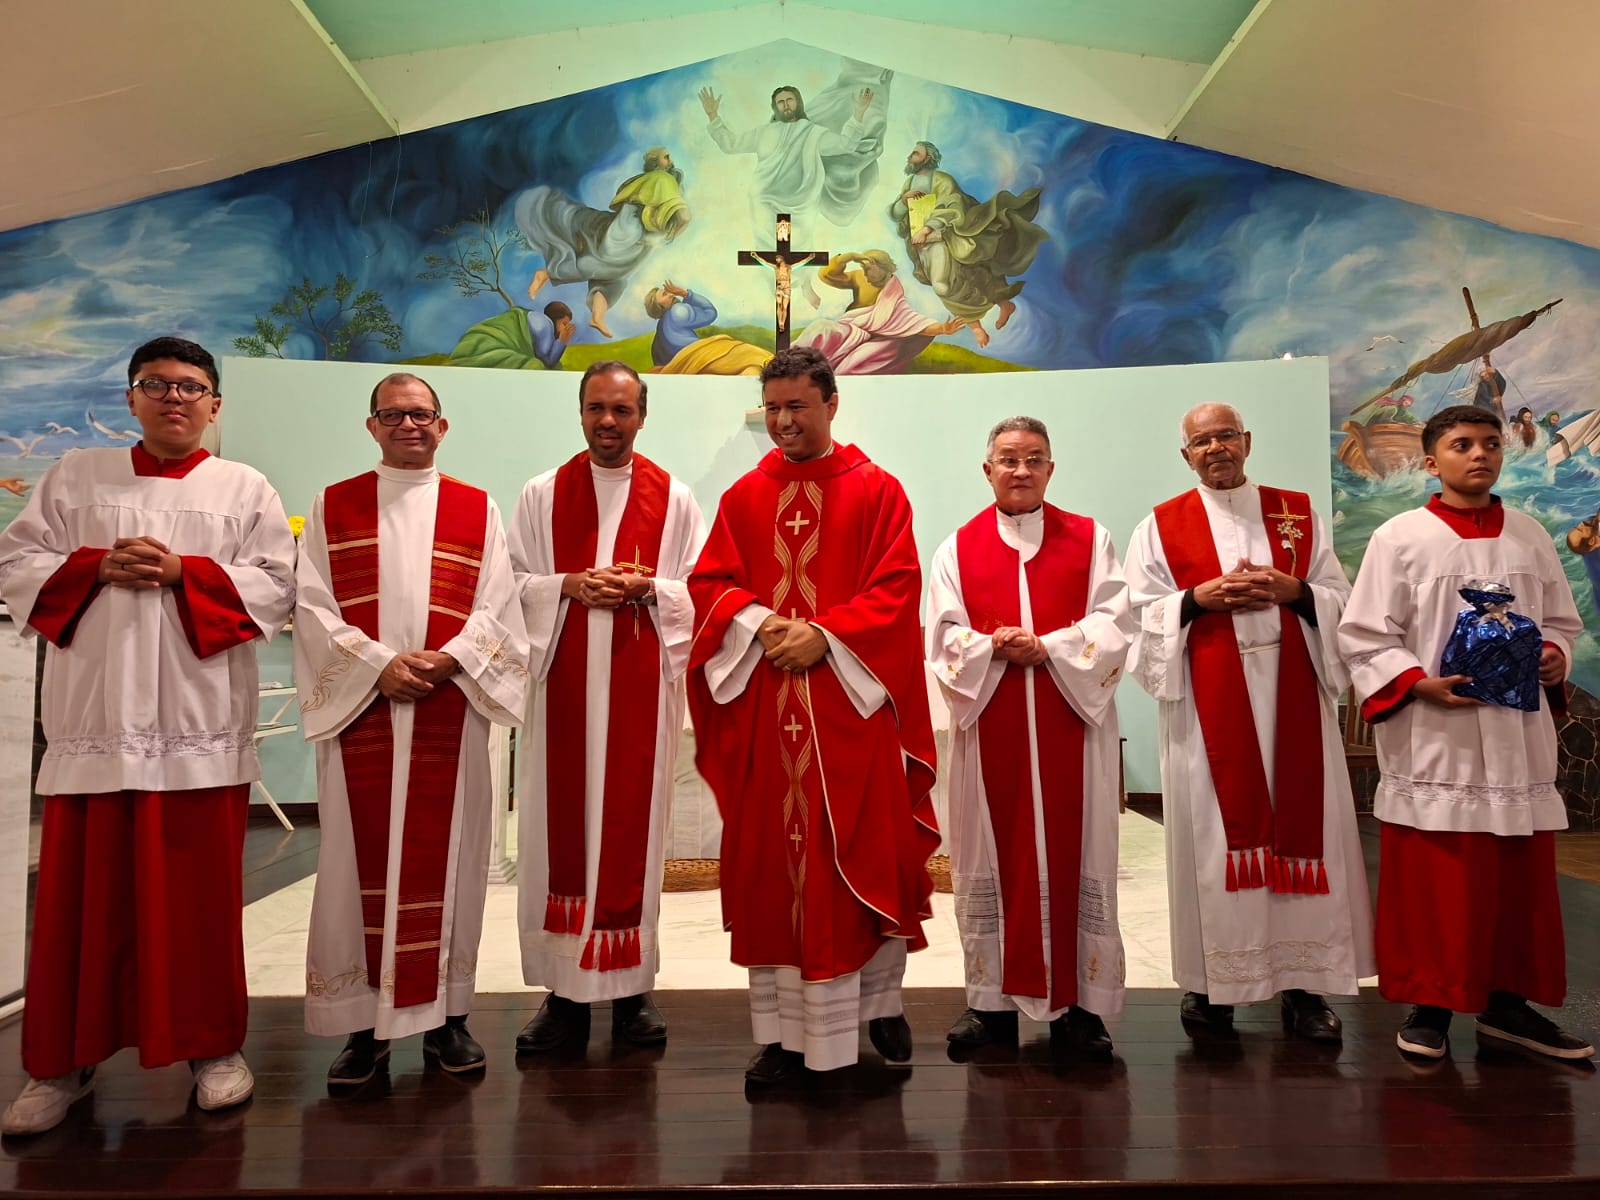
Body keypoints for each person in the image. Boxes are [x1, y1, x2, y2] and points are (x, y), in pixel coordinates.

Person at [0, 336, 296, 1135]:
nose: (174, 398)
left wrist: (183, 573)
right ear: (130, 398)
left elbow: (277, 586)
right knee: (82, 906)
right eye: (156, 384)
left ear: (215, 405)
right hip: (96, 723)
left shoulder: (244, 487)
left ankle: (212, 1048)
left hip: (197, 723)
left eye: (191, 387)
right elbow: (14, 564)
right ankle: (61, 1062)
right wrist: (92, 567)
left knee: (197, 904)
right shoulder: (75, 477)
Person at [687, 346, 940, 1084]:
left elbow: (897, 589)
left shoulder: (878, 490)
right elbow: (709, 583)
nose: (782, 422)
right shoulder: (743, 497)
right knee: (774, 871)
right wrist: (762, 622)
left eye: (796, 406)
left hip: (850, 716)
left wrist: (824, 634)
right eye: (772, 408)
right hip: (768, 716)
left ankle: (880, 1005)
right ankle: (782, 1035)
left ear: (832, 404)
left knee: (864, 854)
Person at [1339, 404, 1592, 1061]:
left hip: (1516, 735)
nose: (1479, 454)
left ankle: (1508, 1006)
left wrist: (1555, 656)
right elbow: (1364, 634)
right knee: (1440, 878)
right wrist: (1413, 681)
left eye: (1490, 443)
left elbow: (1562, 621)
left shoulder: (1532, 536)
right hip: (1437, 735)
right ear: (1431, 461)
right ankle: (1430, 1005)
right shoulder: (1399, 537)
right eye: (1461, 445)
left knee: (1515, 881)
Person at [296, 372, 529, 1085]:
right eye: (393, 414)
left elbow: (498, 606)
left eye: (421, 414)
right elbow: (311, 605)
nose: (408, 425)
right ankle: (363, 1028)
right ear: (371, 426)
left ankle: (447, 1019)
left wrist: (450, 660)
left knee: (452, 862)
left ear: (442, 425)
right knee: (354, 868)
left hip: (447, 708)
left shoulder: (475, 507)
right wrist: (377, 666)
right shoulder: (333, 504)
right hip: (363, 712)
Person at [1123, 402, 1374, 1042]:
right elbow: (1135, 616)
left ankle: (1304, 988)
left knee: (1304, 834)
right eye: (1202, 441)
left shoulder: (1297, 513)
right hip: (1207, 715)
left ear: (1247, 441)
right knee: (1212, 845)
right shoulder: (1160, 525)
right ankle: (1212, 988)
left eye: (1226, 436)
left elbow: (1343, 599)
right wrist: (1193, 599)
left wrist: (1298, 592)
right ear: (1186, 454)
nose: (1216, 448)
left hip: (1294, 700)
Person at [509, 362, 706, 1053]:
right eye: (596, 408)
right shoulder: (541, 494)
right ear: (580, 411)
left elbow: (701, 590)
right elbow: (508, 584)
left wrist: (650, 589)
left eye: (622, 410)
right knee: (557, 833)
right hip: (561, 691)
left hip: (639, 691)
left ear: (641, 417)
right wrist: (567, 585)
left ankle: (630, 994)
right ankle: (563, 998)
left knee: (631, 833)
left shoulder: (674, 498)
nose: (607, 422)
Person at [925, 416, 1132, 1056]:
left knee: (1082, 850)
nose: (1021, 470)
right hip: (993, 727)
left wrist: (1051, 647)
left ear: (1050, 468)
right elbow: (941, 636)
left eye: (1033, 459)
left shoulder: (1090, 539)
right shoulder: (956, 549)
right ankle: (990, 1007)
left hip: (1073, 727)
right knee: (991, 853)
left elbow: (1115, 621)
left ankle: (1082, 1008)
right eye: (1009, 459)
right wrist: (993, 646)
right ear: (987, 469)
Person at [516, 148, 691, 338]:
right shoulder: (663, 179)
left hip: (636, 237)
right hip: (629, 234)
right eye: (666, 157)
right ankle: (547, 273)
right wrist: (665, 236)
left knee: (615, 277)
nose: (670, 159)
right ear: (656, 163)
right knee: (600, 264)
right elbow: (683, 216)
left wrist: (658, 236)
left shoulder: (656, 180)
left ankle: (597, 316)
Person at [889, 141, 1046, 349]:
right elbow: (896, 215)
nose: (910, 156)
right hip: (920, 245)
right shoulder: (909, 182)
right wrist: (903, 201)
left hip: (943, 238)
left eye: (916, 153)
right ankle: (1002, 303)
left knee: (944, 285)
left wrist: (927, 229)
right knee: (965, 277)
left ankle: (976, 326)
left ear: (927, 158)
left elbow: (952, 206)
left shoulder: (942, 180)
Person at [699, 65, 888, 234]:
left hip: (800, 207)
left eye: (789, 100)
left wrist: (859, 113)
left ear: (798, 103)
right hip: (765, 202)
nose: (786, 105)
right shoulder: (763, 133)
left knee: (794, 253)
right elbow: (731, 144)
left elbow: (846, 144)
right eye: (780, 102)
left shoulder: (813, 133)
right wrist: (713, 116)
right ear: (775, 108)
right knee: (771, 253)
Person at [795, 251, 959, 375]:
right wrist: (848, 257)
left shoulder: (893, 293)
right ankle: (793, 362)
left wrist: (942, 329)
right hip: (850, 329)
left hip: (877, 338)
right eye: (863, 269)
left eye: (868, 269)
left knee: (859, 361)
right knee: (822, 327)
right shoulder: (860, 277)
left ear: (882, 267)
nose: (865, 274)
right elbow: (826, 275)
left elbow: (912, 321)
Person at [646, 282, 718, 367]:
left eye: (668, 292)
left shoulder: (661, 327)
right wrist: (685, 294)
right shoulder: (678, 311)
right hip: (695, 358)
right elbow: (710, 312)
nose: (672, 294)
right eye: (664, 294)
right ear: (657, 306)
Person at [528, 301, 577, 370]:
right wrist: (562, 341)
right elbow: (548, 362)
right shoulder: (545, 325)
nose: (565, 328)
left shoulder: (541, 322)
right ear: (554, 319)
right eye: (564, 324)